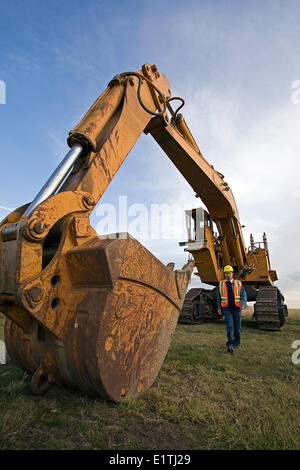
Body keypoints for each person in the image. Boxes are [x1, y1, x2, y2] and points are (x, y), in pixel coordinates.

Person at [216, 265, 247, 353]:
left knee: (237, 328)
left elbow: (243, 295)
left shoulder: (238, 283)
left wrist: (243, 304)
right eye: (226, 273)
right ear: (224, 274)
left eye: (229, 273)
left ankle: (237, 343)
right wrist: (219, 307)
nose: (227, 275)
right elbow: (218, 297)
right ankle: (230, 344)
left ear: (232, 274)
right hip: (227, 309)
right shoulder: (221, 284)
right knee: (230, 326)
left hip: (237, 309)